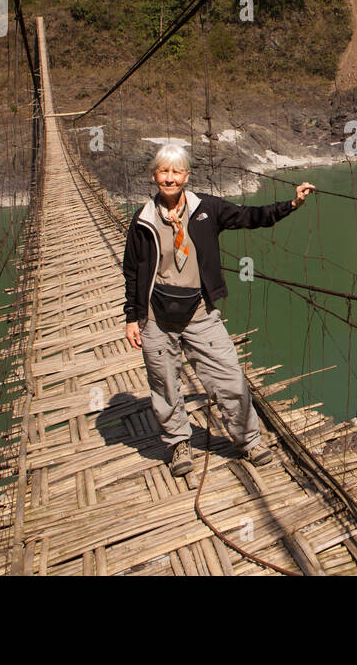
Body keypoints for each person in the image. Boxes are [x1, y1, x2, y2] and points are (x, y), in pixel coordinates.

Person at [123, 142, 315, 477]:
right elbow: (133, 271)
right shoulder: (142, 221)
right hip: (156, 317)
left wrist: (292, 204)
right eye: (163, 171)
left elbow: (250, 216)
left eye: (176, 171)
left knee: (229, 378)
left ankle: (248, 439)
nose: (169, 178)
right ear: (155, 174)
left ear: (187, 175)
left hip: (200, 313)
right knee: (164, 384)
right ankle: (178, 442)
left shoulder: (205, 209)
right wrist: (131, 318)